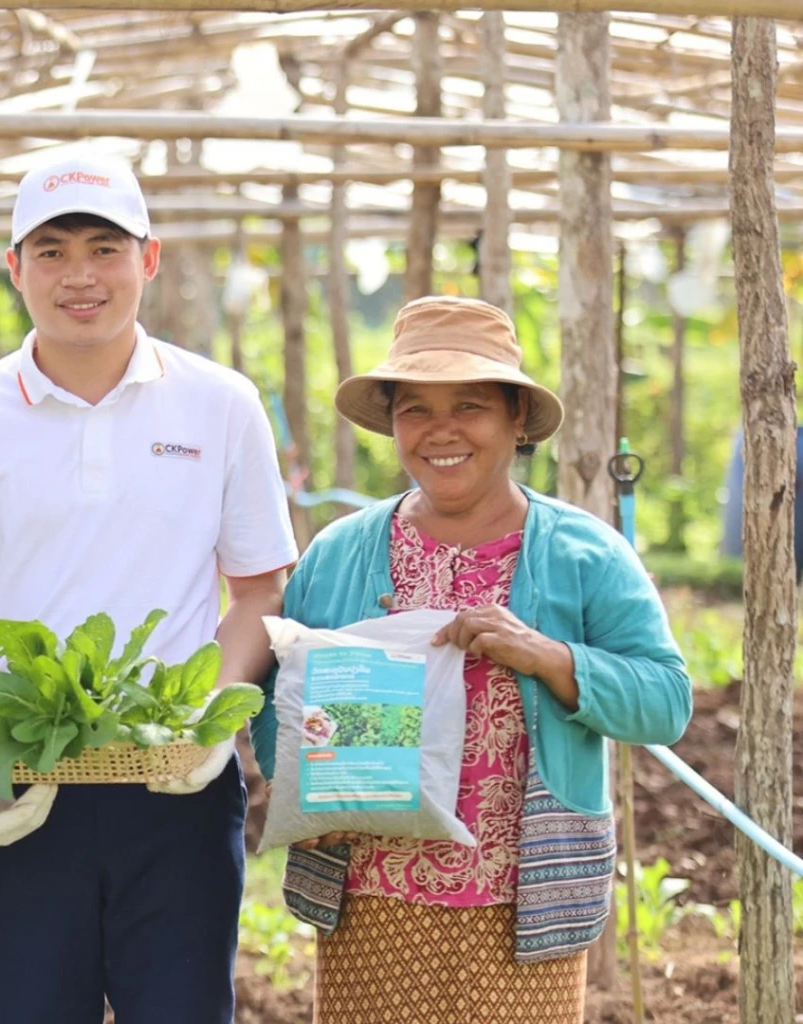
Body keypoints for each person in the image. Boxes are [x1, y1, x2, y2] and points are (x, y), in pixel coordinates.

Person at [0, 153, 299, 1023]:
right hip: (23, 781)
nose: (79, 275)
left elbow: (259, 589)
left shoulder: (221, 405)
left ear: (148, 259)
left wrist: (206, 719)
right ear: (15, 269)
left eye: (104, 248)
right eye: (51, 252)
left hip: (176, 787)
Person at [251, 296, 693, 1023]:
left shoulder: (583, 553)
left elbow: (666, 701)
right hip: (371, 897)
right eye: (415, 409)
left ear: (517, 420)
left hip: (521, 905)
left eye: (470, 406)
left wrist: (550, 656)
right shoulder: (339, 553)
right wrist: (301, 791)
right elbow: (279, 693)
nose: (442, 430)